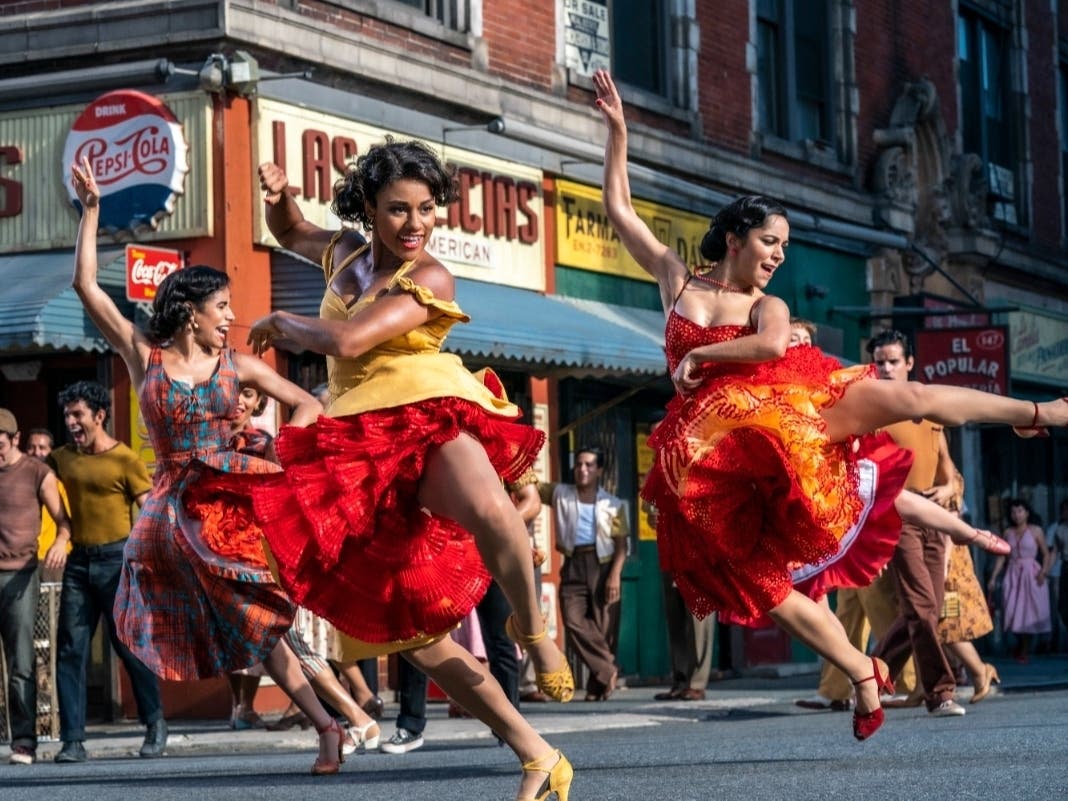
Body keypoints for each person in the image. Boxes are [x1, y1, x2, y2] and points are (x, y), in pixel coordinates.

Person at [593, 68, 1060, 741]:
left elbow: (771, 344)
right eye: (769, 242)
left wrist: (703, 356)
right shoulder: (676, 278)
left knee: (910, 395)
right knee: (765, 592)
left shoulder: (767, 304)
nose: (779, 255)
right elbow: (620, 211)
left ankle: (1041, 414)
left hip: (787, 419)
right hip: (712, 464)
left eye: (784, 246)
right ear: (735, 239)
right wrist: (618, 133)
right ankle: (863, 672)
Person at [234, 141, 574, 800]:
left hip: (427, 417)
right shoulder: (343, 255)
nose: (415, 223)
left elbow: (352, 339)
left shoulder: (433, 276)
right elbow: (290, 232)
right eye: (398, 209)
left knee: (496, 511)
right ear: (368, 208)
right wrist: (277, 195)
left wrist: (284, 322)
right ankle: (538, 753)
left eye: (425, 208)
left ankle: (534, 631)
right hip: (361, 448)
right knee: (415, 636)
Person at [68, 159, 346, 775]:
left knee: (257, 626)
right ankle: (314, 722)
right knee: (167, 615)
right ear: (191, 311)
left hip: (232, 511)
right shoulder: (146, 357)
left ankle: (328, 726)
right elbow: (87, 287)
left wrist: (275, 456)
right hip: (168, 515)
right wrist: (91, 211)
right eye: (221, 306)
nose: (229, 316)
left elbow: (304, 404)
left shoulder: (238, 367)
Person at [47, 381, 165, 762]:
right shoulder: (62, 459)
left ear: (99, 416)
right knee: (70, 650)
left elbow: (148, 509)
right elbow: (34, 477)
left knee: (128, 647)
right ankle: (73, 740)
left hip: (118, 561)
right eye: (67, 415)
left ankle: (155, 722)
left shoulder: (125, 460)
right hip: (79, 562)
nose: (70, 422)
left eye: (77, 414)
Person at [0, 409, 72, 765]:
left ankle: (24, 742)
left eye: (0, 444)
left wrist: (59, 543)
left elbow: (63, 522)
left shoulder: (36, 472)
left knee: (22, 663)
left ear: (15, 440)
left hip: (21, 576)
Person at [540, 446, 629, 702]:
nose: (583, 470)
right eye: (579, 464)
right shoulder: (561, 493)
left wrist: (614, 576)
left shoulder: (612, 504)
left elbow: (622, 545)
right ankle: (608, 669)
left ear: (599, 470)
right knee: (573, 619)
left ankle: (597, 686)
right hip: (573, 562)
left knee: (603, 626)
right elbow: (532, 486)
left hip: (603, 564)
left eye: (589, 465)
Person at [988, 499, 1053, 663]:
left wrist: (1044, 572)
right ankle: (1019, 645)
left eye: (1020, 511)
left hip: (1031, 574)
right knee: (1011, 610)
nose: (1017, 515)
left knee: (1029, 612)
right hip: (1013, 573)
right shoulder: (1007, 532)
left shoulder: (1036, 531)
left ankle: (1024, 650)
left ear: (1027, 513)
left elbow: (1046, 553)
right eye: (1014, 512)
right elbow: (1002, 556)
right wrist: (994, 577)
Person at [25, 428, 71, 583]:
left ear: (51, 452)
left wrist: (61, 544)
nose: (36, 452)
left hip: (52, 560)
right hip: (22, 561)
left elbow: (68, 521)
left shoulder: (59, 486)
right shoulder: (17, 483)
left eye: (42, 448)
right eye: (31, 447)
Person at [1045, 500, 1068, 652]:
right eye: (1064, 510)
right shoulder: (1060, 529)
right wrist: (1046, 571)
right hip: (1066, 566)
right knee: (1063, 606)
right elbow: (1054, 552)